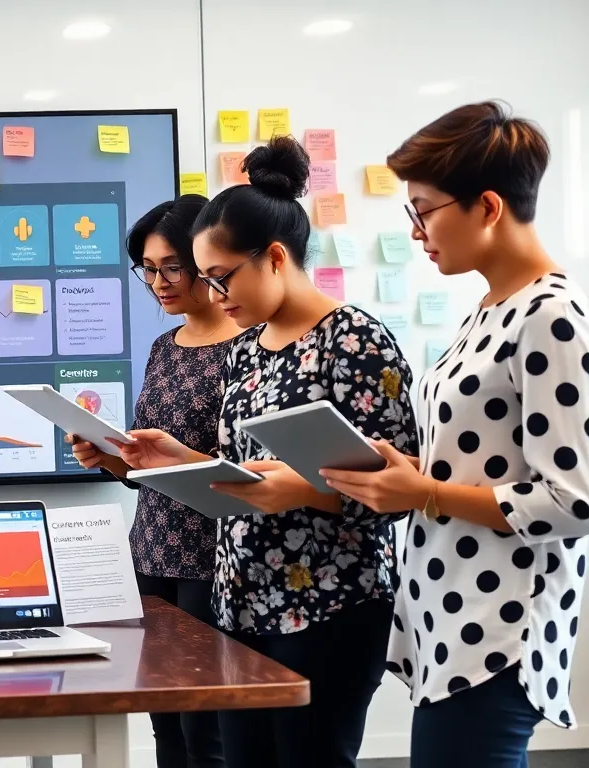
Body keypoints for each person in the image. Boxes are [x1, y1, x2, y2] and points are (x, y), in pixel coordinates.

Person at [105, 136, 419, 768]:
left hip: (328, 605)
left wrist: (298, 489)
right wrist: (173, 456)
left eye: (221, 278)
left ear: (275, 257)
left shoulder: (354, 339)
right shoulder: (250, 349)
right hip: (241, 599)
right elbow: (239, 473)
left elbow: (395, 489)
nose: (215, 297)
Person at [320, 102, 589, 768]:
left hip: (499, 628)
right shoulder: (493, 308)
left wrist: (425, 494)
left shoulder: (551, 316)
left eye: (423, 210)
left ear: (488, 207)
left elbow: (573, 498)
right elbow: (482, 460)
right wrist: (407, 471)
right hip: (453, 615)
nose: (416, 232)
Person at [69, 194, 238, 768]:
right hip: (152, 549)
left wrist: (173, 458)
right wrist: (111, 458)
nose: (160, 282)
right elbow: (147, 469)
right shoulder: (164, 348)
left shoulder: (250, 346)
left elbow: (243, 463)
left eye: (172, 267)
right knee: (163, 718)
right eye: (148, 269)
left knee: (206, 729)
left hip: (213, 554)